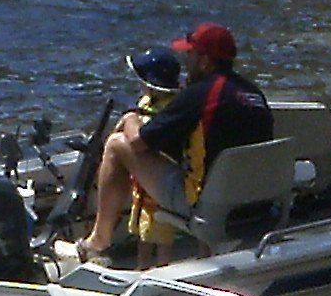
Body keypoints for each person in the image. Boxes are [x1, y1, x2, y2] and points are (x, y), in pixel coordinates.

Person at [74, 24, 272, 260]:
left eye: (190, 54)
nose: (186, 61)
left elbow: (139, 142)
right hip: (257, 203)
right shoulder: (253, 94)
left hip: (208, 206)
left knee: (118, 144)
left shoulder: (200, 94)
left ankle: (99, 241)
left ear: (205, 62)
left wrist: (130, 118)